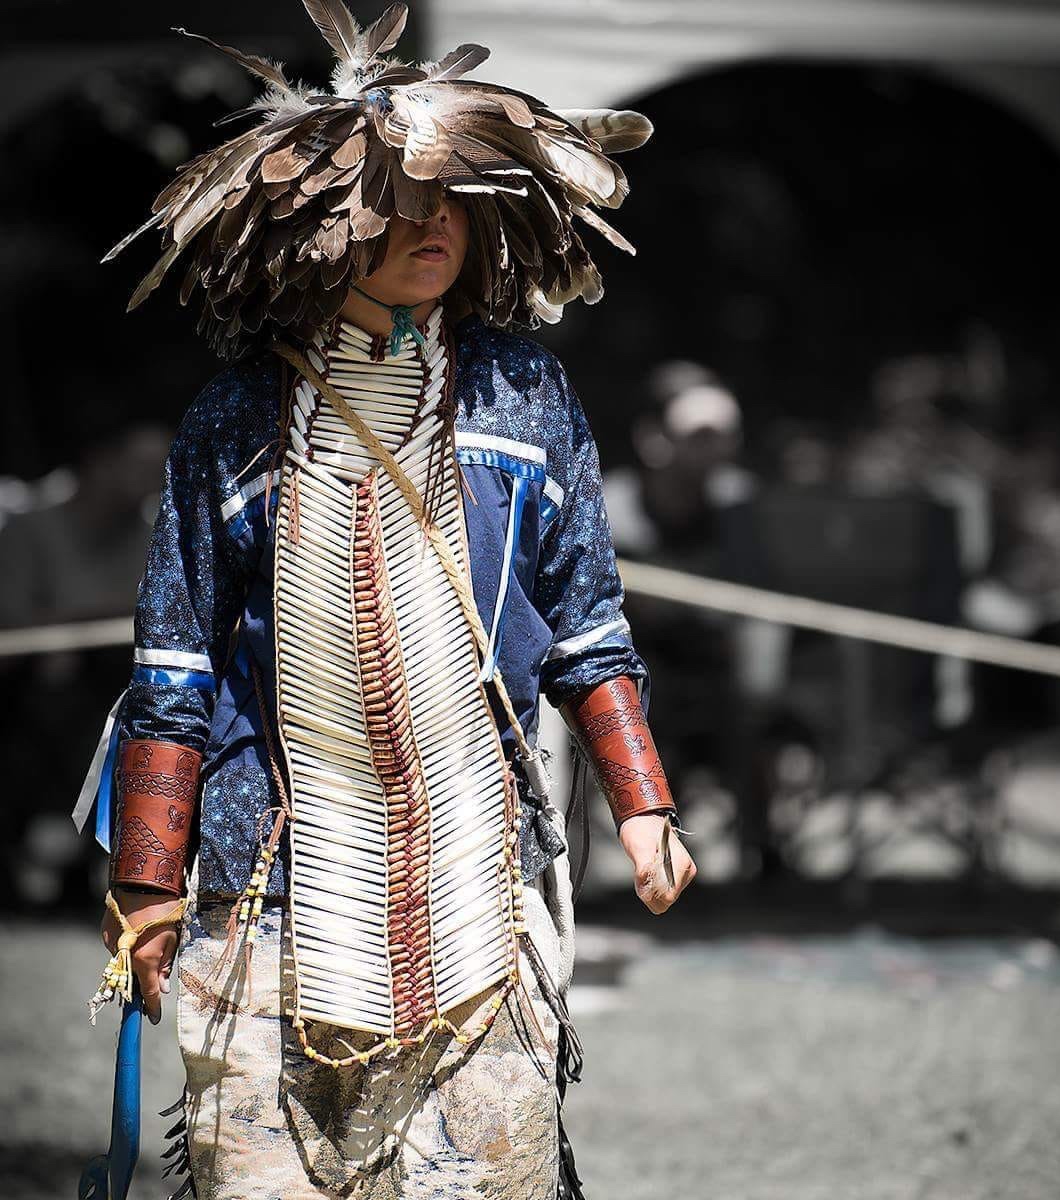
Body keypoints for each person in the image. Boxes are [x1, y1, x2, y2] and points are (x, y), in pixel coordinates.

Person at [75, 5, 695, 1197]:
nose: (435, 230)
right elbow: (174, 673)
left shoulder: (524, 393)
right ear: (316, 228)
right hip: (273, 887)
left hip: (483, 880)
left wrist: (644, 805)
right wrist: (148, 886)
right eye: (402, 208)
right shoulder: (234, 420)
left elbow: (589, 626)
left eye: (451, 202)